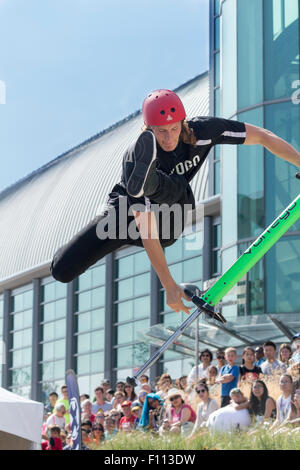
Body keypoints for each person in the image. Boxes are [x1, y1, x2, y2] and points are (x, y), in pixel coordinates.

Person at [50, 89, 300, 315]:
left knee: (175, 188)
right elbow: (144, 229)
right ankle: (147, 181)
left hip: (170, 213)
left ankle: (152, 182)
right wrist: (169, 285)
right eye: (161, 132)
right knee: (61, 269)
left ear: (183, 122)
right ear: (148, 129)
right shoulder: (137, 155)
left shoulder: (204, 131)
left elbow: (264, 136)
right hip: (123, 215)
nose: (169, 138)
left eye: (174, 129)